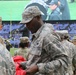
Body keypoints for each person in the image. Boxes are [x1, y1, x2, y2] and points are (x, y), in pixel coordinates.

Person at [20, 6, 70, 75]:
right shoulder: (37, 35)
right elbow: (40, 59)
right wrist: (24, 64)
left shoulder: (47, 36)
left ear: (37, 18)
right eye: (25, 23)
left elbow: (63, 60)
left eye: (28, 22)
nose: (27, 26)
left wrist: (38, 68)